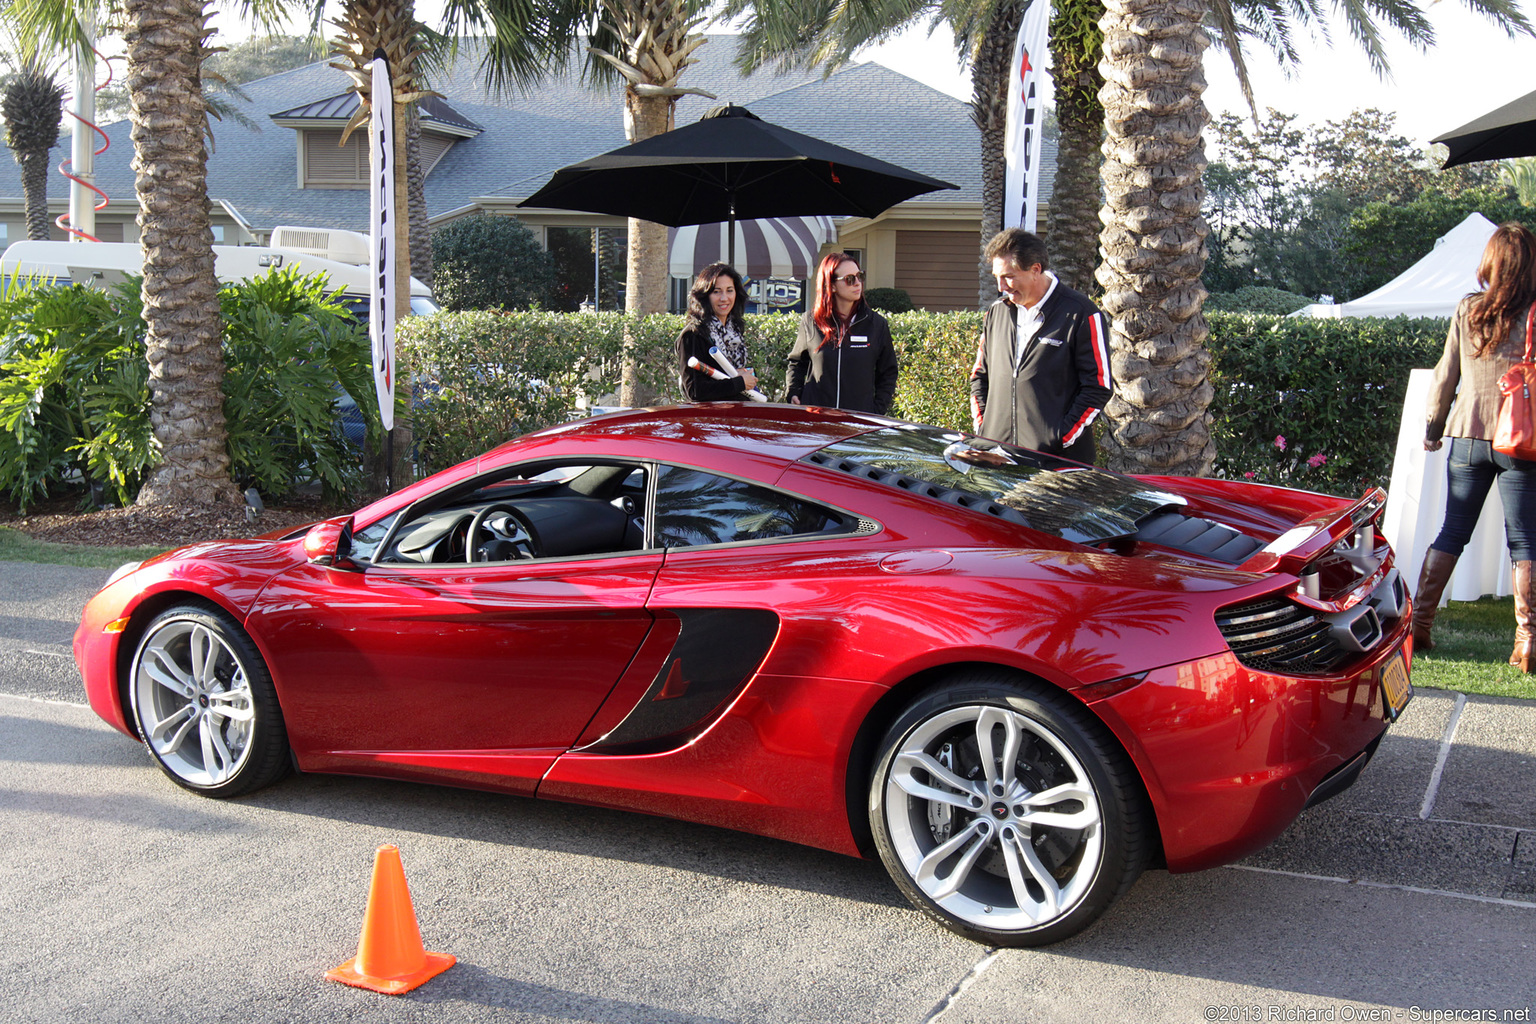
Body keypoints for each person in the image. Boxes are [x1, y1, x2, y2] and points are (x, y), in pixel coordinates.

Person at [1416, 222, 1536, 670]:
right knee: (1525, 540)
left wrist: (1433, 427)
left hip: (1467, 434)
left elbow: (1446, 373)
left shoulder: (1468, 310)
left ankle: (1420, 625)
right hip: (1521, 441)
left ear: (1491, 263)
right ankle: (1527, 643)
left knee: (1452, 530)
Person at [968, 228, 1111, 462]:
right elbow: (979, 377)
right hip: (996, 460)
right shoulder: (997, 313)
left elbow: (1098, 388)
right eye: (997, 277)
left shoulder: (1081, 314)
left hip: (1058, 466)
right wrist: (985, 430)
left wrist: (1057, 440)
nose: (1001, 286)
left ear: (1035, 269)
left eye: (1008, 276)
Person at [785, 252, 899, 414]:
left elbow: (888, 372)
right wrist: (793, 392)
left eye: (860, 276)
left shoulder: (876, 325)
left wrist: (876, 410)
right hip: (817, 420)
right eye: (849, 279)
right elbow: (796, 362)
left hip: (858, 422)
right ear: (831, 285)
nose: (857, 283)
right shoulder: (811, 321)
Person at [677, 262, 759, 402]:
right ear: (704, 296)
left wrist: (740, 377)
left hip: (737, 415)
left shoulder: (735, 330)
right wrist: (739, 383)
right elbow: (695, 390)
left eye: (729, 290)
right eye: (716, 291)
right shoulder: (693, 335)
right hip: (710, 419)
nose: (724, 298)